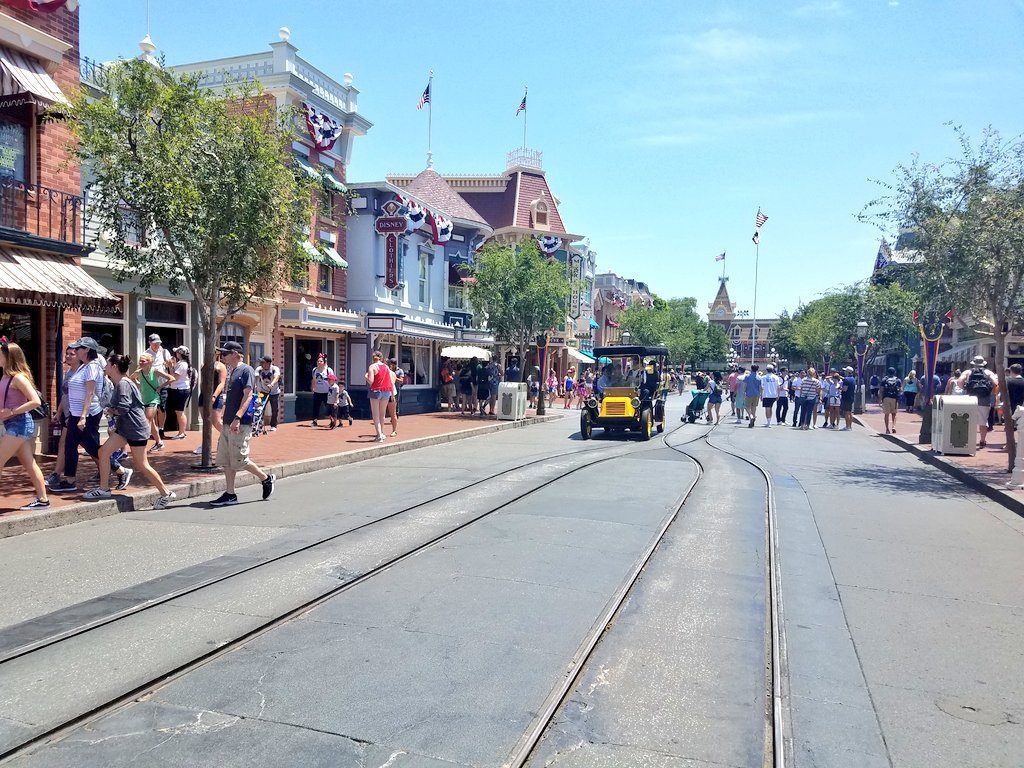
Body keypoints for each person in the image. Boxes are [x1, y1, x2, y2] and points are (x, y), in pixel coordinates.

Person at [83, 354, 176, 507]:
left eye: (107, 363)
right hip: (125, 429)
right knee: (103, 452)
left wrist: (112, 411)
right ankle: (104, 488)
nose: (105, 366)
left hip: (135, 429)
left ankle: (166, 493)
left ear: (114, 366)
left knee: (141, 464)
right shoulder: (120, 382)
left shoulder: (123, 384)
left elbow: (124, 408)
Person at [49, 338, 129, 493]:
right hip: (75, 413)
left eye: (78, 349)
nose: (75, 351)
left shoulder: (92, 367)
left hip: (89, 414)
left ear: (86, 350)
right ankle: (70, 480)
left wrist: (83, 416)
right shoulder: (82, 367)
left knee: (92, 447)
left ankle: (120, 470)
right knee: (70, 446)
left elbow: (90, 393)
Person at [210, 341, 274, 506]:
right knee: (226, 459)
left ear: (235, 354)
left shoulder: (247, 370)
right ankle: (230, 494)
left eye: (225, 353)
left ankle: (265, 478)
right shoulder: (232, 371)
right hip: (228, 422)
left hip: (240, 422)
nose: (222, 356)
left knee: (240, 459)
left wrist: (237, 418)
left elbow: (248, 395)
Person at [0, 341, 50, 510]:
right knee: (29, 463)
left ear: (8, 357)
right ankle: (43, 500)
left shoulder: (18, 378)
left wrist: (11, 411)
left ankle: (43, 499)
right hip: (13, 423)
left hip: (19, 424)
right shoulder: (6, 376)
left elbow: (35, 402)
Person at [132, 352, 175, 453]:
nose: (141, 363)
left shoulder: (154, 371)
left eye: (143, 361)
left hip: (154, 399)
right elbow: (131, 378)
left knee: (147, 420)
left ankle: (141, 444)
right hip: (144, 399)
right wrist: (139, 385)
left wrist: (160, 387)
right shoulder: (139, 372)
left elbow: (171, 378)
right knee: (152, 423)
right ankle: (159, 442)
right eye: (140, 361)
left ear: (149, 362)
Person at [958, 356, 999, 449]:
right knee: (983, 422)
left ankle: (967, 440)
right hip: (984, 400)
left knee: (967, 420)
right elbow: (996, 383)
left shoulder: (968, 372)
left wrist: (965, 388)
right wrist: (990, 391)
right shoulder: (988, 372)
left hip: (970, 399)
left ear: (973, 363)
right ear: (984, 364)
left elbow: (959, 382)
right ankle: (982, 441)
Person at [194, 351, 227, 454]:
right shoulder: (203, 365)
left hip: (215, 396)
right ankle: (205, 445)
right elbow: (202, 381)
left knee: (215, 421)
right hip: (204, 395)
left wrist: (214, 396)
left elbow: (222, 383)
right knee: (206, 422)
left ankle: (228, 438)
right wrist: (202, 393)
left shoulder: (220, 366)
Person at [145, 334, 173, 435]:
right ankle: (154, 430)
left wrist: (170, 364)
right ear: (150, 343)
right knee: (153, 408)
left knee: (162, 407)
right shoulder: (146, 354)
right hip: (151, 385)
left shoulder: (165, 352)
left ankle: (161, 429)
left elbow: (170, 365)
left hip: (163, 384)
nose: (156, 345)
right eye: (154, 343)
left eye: (158, 343)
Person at [164, 346, 193, 440]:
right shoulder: (182, 363)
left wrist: (170, 366)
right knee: (179, 411)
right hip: (179, 389)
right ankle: (182, 432)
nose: (175, 353)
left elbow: (174, 377)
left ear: (179, 354)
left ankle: (181, 433)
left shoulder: (182, 365)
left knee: (179, 412)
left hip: (179, 389)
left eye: (177, 352)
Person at [365, 350, 394, 442]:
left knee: (375, 414)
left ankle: (379, 435)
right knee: (382, 414)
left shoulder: (372, 366)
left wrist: (366, 377)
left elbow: (371, 381)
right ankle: (382, 433)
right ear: (381, 357)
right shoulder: (386, 367)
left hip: (375, 391)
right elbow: (390, 379)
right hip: (386, 391)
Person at [1003, 364, 1024, 473]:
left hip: (1010, 407)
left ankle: (1009, 445)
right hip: (1021, 407)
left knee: (1009, 428)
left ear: (1011, 371)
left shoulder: (1008, 381)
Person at [255, 355, 282, 431]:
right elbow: (256, 378)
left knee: (274, 409)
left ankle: (273, 425)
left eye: (263, 362)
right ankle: (259, 424)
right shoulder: (259, 369)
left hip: (274, 392)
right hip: (263, 391)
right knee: (260, 408)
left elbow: (277, 377)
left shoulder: (274, 369)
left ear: (268, 363)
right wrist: (256, 386)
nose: (261, 364)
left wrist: (272, 384)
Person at [310, 354, 334, 427]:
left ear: (324, 362)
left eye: (321, 361)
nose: (319, 362)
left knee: (328, 407)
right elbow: (313, 380)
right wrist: (312, 388)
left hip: (326, 392)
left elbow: (332, 380)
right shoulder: (315, 370)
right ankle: (314, 421)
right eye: (318, 361)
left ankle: (332, 421)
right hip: (317, 392)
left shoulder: (328, 370)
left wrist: (332, 390)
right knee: (315, 407)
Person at [879, 367, 902, 434]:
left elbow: (881, 390)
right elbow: (900, 390)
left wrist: (880, 399)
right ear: (894, 372)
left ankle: (887, 429)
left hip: (886, 398)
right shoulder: (898, 380)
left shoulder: (884, 379)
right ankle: (893, 426)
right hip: (894, 398)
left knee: (886, 414)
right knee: (894, 414)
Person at [387, 358, 403, 435]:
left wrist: (393, 377)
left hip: (396, 389)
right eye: (391, 364)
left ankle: (395, 424)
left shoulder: (399, 371)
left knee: (396, 407)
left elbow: (401, 381)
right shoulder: (387, 371)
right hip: (387, 391)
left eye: (393, 365)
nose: (392, 366)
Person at [839, 366, 857, 431]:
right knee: (850, 412)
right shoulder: (853, 379)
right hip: (851, 397)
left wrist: (839, 388)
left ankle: (847, 426)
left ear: (847, 372)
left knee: (846, 412)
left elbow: (845, 389)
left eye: (845, 371)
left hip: (846, 397)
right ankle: (850, 426)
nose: (844, 372)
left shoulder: (846, 379)